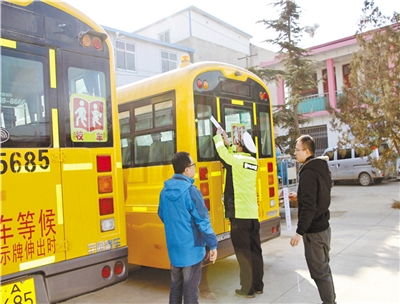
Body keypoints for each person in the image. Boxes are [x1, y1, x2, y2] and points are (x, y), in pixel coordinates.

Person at [158, 152, 218, 304]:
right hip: (191, 250)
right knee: (191, 291)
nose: (194, 168)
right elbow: (203, 221)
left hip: (174, 249)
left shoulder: (164, 192)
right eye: (193, 165)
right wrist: (212, 244)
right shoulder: (191, 191)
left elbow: (162, 215)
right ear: (186, 170)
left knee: (175, 289)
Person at [213, 127, 263, 298]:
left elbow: (221, 153)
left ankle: (247, 289)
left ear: (240, 147)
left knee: (243, 253)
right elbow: (232, 155)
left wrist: (219, 137)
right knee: (255, 250)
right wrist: (230, 143)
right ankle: (258, 285)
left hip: (239, 216)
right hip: (252, 214)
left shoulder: (234, 161)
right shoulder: (252, 161)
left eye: (237, 144)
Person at [289, 135, 336, 304]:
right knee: (324, 269)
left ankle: (329, 302)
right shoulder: (321, 167)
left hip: (314, 232)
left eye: (297, 150)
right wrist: (300, 196)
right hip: (324, 227)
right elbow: (319, 196)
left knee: (319, 272)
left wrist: (299, 233)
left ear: (307, 151)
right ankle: (330, 300)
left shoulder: (308, 173)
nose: (295, 153)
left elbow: (310, 207)